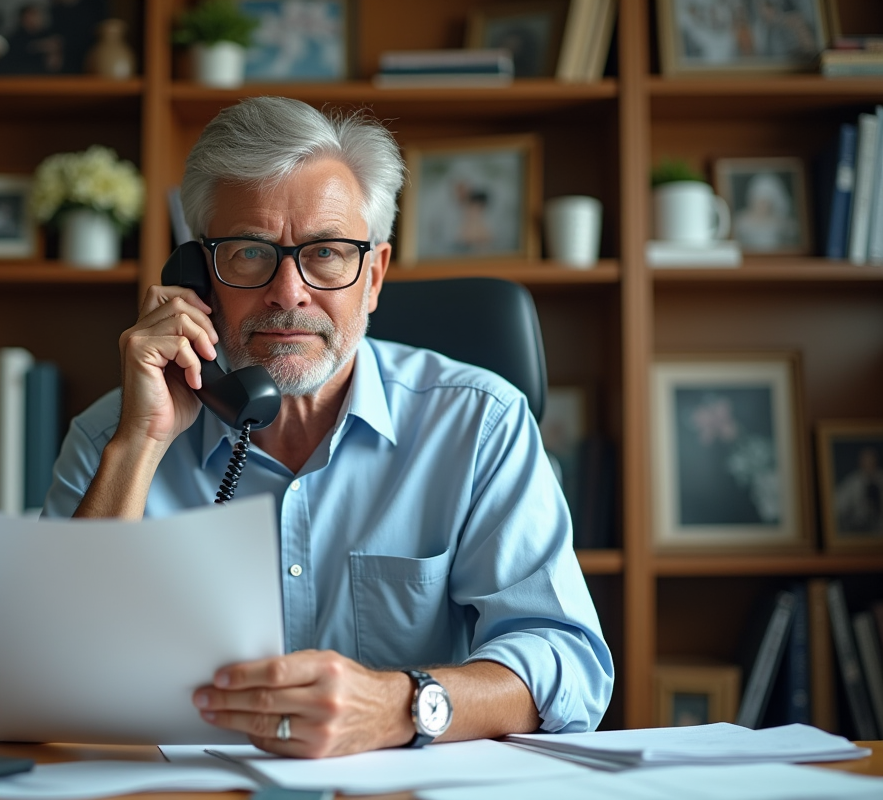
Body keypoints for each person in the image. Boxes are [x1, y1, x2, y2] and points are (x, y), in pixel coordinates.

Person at [43, 96, 613, 758]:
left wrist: (402, 705)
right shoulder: (113, 434)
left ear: (373, 277)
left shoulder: (479, 423)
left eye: (328, 253)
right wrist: (139, 447)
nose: (288, 292)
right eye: (250, 254)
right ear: (197, 277)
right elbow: (37, 677)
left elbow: (565, 663)